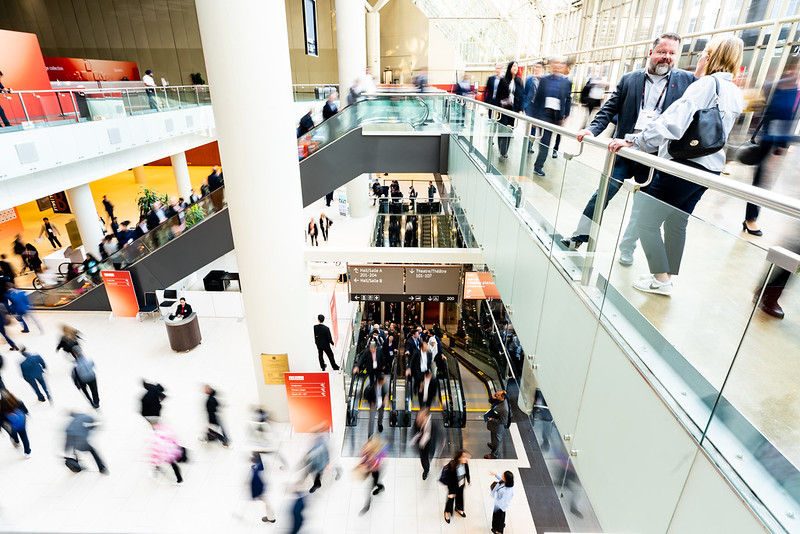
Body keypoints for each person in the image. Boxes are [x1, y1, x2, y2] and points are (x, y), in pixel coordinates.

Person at [608, 35, 744, 296]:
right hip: (710, 168)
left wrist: (635, 141)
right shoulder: (735, 91)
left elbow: (672, 123)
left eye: (705, 53)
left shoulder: (705, 85)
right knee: (676, 222)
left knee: (646, 220)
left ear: (712, 56)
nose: (700, 57)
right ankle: (665, 276)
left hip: (685, 166)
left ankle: (661, 280)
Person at [562, 33, 695, 261]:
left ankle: (627, 248)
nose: (667, 57)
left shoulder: (687, 81)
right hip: (623, 151)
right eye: (662, 52)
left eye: (672, 53)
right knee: (602, 194)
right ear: (651, 53)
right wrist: (592, 129)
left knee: (642, 208)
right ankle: (579, 236)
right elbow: (609, 109)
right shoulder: (630, 79)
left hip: (655, 157)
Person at [743, 63, 799, 236]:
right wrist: (778, 145)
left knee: (767, 182)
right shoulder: (782, 87)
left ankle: (751, 218)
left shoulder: (795, 89)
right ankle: (750, 219)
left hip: (783, 144)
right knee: (761, 181)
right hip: (769, 142)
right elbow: (770, 115)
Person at [531, 56, 573, 175]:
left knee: (554, 139)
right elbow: (538, 98)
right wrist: (534, 118)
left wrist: (566, 114)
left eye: (561, 63)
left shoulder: (567, 81)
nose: (559, 65)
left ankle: (552, 153)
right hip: (544, 114)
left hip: (558, 116)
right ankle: (538, 167)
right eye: (556, 62)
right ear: (551, 64)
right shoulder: (544, 80)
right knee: (545, 141)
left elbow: (568, 98)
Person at [495, 61, 524, 158]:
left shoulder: (519, 81)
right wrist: (497, 108)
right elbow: (498, 95)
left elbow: (521, 96)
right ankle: (501, 149)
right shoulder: (503, 80)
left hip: (513, 110)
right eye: (514, 66)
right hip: (504, 109)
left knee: (510, 130)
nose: (515, 68)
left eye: (517, 66)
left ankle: (505, 151)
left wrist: (520, 109)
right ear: (510, 68)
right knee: (503, 129)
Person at [356, 435, 387, 515]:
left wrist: (367, 465)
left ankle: (367, 505)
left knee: (368, 489)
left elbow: (375, 466)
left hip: (375, 471)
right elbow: (362, 455)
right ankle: (380, 487)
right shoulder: (368, 448)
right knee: (376, 483)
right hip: (370, 470)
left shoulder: (378, 455)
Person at [147, 420, 184, 485]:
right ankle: (179, 480)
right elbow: (173, 438)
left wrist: (154, 461)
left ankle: (180, 480)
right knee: (173, 465)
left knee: (171, 465)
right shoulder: (166, 429)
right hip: (172, 451)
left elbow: (155, 450)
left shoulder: (155, 437)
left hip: (165, 455)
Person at [410, 407, 439, 480]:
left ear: (426, 417)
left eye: (420, 416)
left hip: (430, 447)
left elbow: (438, 436)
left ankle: (428, 464)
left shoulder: (434, 425)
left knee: (429, 458)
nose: (418, 418)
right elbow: (414, 431)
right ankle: (426, 470)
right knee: (424, 460)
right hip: (421, 447)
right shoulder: (417, 423)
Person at [246, 452, 276, 523]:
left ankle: (271, 518)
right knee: (265, 502)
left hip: (258, 488)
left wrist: (253, 495)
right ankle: (271, 517)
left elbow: (255, 482)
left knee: (265, 502)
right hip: (260, 486)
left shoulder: (256, 469)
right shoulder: (258, 466)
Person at [443, 449, 471, 523]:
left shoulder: (465, 463)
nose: (466, 458)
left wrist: (468, 481)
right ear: (459, 458)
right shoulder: (452, 466)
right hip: (453, 487)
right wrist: (451, 492)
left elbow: (467, 472)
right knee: (450, 500)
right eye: (464, 457)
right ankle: (446, 512)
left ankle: (458, 508)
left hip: (461, 484)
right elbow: (449, 480)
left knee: (460, 498)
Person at [1, 388, 30, 457]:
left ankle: (16, 441)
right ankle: (27, 452)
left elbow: (1, 419)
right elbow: (24, 408)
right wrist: (26, 413)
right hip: (21, 422)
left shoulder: (1, 406)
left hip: (10, 425)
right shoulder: (16, 401)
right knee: (24, 436)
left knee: (13, 434)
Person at [484, 390, 509, 459]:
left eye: (497, 395)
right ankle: (493, 445)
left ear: (502, 397)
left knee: (497, 439)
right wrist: (492, 398)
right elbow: (491, 401)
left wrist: (492, 419)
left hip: (497, 427)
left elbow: (503, 421)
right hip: (493, 425)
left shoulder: (504, 409)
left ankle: (494, 454)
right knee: (493, 437)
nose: (495, 395)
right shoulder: (498, 401)